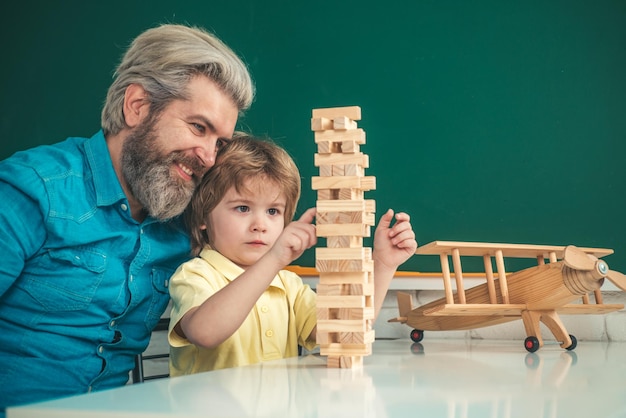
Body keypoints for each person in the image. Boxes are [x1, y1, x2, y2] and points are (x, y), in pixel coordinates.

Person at [0, 24, 254, 414]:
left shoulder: (188, 220)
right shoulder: (33, 189)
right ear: (137, 106)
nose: (208, 157)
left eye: (219, 142)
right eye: (198, 127)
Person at [168, 135, 417, 375]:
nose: (260, 225)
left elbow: (344, 333)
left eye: (273, 211)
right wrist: (274, 259)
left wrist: (382, 266)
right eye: (242, 208)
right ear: (203, 216)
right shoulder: (194, 275)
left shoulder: (288, 286)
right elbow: (205, 333)